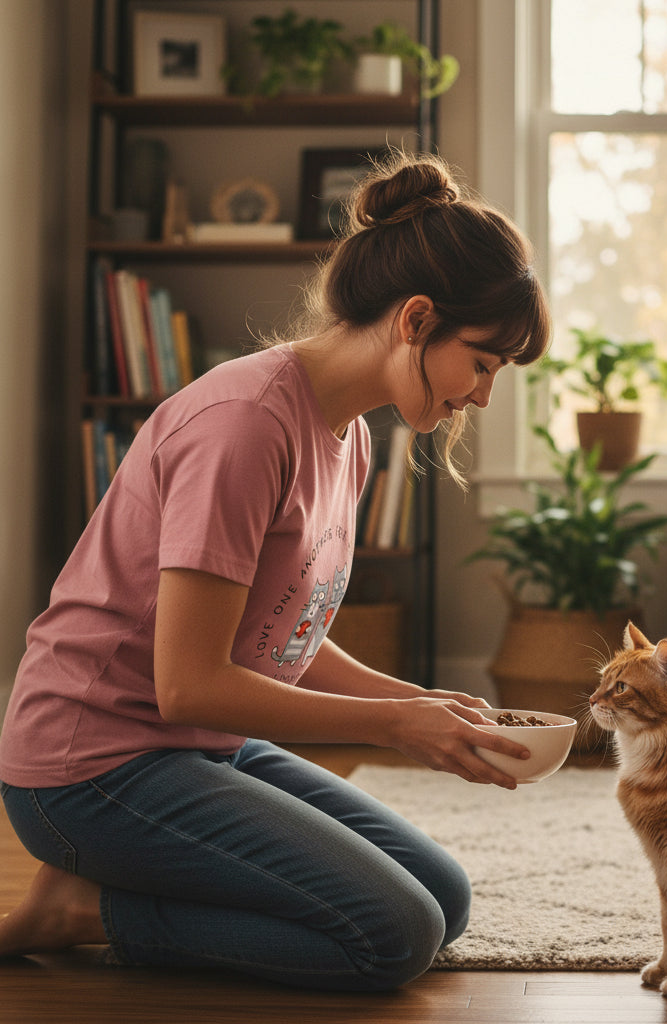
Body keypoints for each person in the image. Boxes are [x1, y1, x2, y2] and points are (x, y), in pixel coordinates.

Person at [0, 151, 550, 990]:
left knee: (445, 899)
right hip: (92, 769)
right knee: (394, 936)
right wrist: (394, 728)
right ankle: (83, 911)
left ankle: (113, 887)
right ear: (416, 320)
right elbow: (187, 684)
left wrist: (419, 703)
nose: (482, 395)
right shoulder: (246, 426)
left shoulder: (351, 436)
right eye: (483, 363)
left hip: (197, 749)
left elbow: (283, 636)